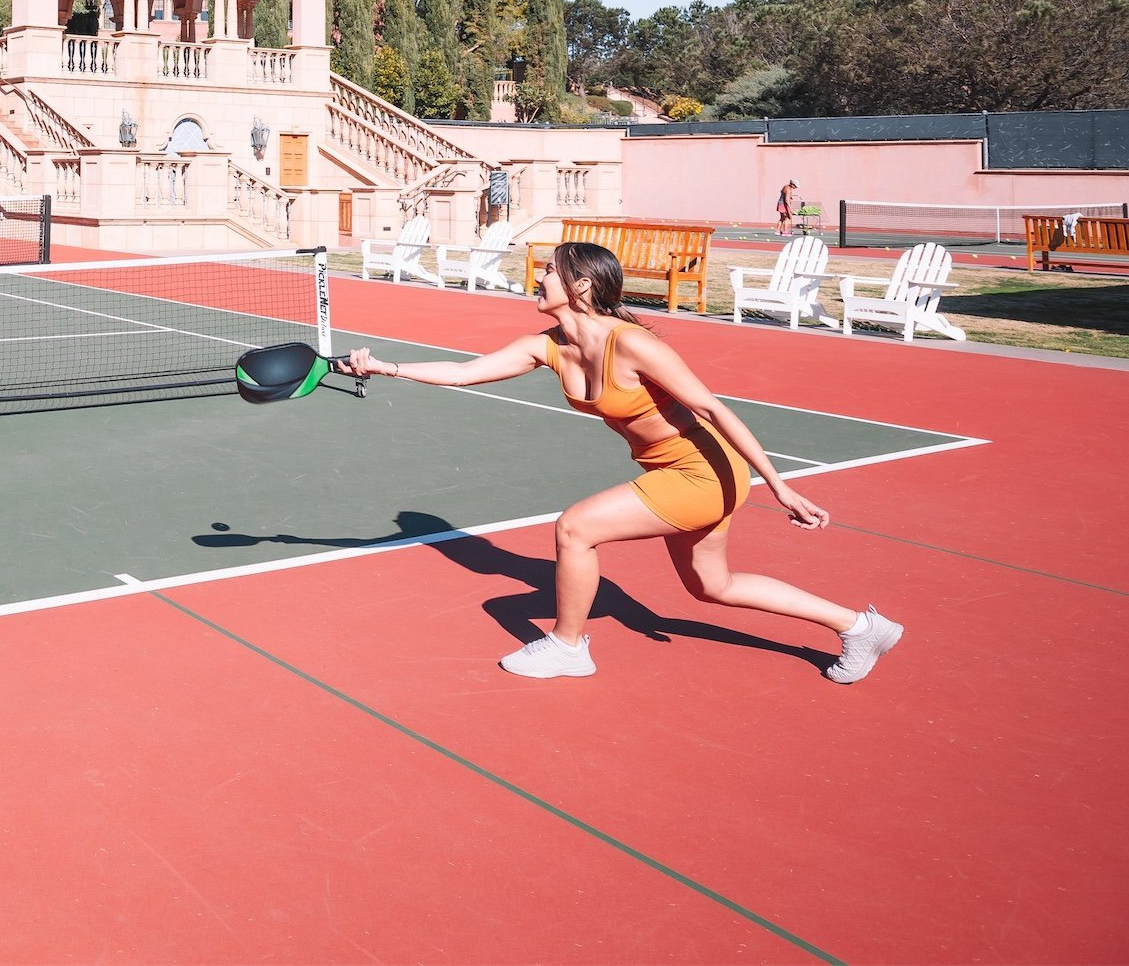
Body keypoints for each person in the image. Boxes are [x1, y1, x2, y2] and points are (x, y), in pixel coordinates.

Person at [346, 241, 903, 685]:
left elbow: (711, 406)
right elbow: (468, 372)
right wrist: (387, 368)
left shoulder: (632, 343)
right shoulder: (550, 345)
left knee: (575, 528)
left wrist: (781, 486)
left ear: (580, 285)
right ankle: (860, 626)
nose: (537, 278)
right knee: (712, 587)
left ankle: (567, 647)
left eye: (549, 271)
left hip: (704, 471)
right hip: (674, 473)